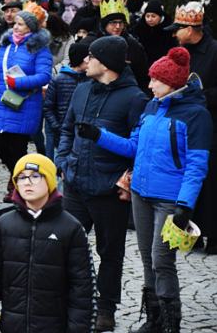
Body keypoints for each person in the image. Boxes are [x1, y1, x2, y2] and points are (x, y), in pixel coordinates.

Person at [79, 48, 211, 333]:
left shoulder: (197, 115)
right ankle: (153, 319)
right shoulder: (152, 107)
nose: (149, 85)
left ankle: (169, 321)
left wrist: (184, 205)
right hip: (140, 193)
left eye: (155, 80)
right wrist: (98, 134)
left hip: (169, 200)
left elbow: (197, 166)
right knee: (147, 258)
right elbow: (133, 147)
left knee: (162, 260)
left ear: (172, 83)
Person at [55, 36, 148, 332]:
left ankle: (106, 308)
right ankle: (66, 299)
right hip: (75, 185)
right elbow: (66, 130)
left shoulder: (135, 98)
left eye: (91, 57)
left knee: (110, 252)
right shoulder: (81, 89)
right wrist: (63, 163)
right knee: (63, 246)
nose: (86, 62)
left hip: (109, 190)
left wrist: (126, 182)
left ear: (106, 63)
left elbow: (138, 148)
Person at [0, 154, 94, 333]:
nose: (27, 182)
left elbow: (82, 289)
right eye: (21, 177)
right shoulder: (4, 225)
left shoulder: (71, 228)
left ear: (50, 181)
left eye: (35, 176)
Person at [166, 1, 217, 254]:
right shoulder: (178, 50)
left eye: (178, 29)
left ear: (191, 29)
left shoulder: (215, 50)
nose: (174, 34)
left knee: (212, 184)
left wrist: (199, 96)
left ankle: (215, 237)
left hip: (210, 126)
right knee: (190, 182)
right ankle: (191, 234)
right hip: (183, 127)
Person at [0, 2, 53, 199]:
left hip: (25, 105)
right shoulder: (5, 47)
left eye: (21, 24)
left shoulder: (40, 50)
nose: (15, 27)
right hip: (3, 103)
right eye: (15, 23)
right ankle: (15, 176)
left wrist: (18, 82)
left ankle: (20, 187)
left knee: (18, 149)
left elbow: (44, 76)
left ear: (31, 28)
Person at [81, 0, 150, 96]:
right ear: (105, 24)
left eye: (121, 23)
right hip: (93, 95)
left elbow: (143, 79)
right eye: (113, 23)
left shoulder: (134, 46)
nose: (118, 27)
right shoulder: (88, 43)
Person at [42, 43, 89, 161]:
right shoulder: (58, 80)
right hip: (63, 137)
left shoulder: (92, 80)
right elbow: (48, 108)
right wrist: (58, 128)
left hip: (85, 137)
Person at [132, 0, 176, 65]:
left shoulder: (168, 30)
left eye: (153, 16)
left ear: (160, 17)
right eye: (147, 16)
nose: (150, 19)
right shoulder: (138, 28)